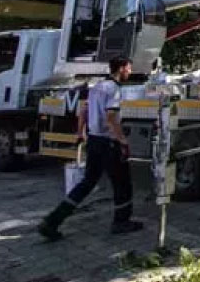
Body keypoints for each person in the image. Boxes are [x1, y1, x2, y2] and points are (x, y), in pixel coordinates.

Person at [38, 56, 143, 241]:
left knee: (87, 182)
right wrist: (123, 141)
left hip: (94, 140)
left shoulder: (97, 87)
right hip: (108, 143)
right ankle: (121, 221)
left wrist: (81, 132)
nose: (130, 72)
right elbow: (111, 118)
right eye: (128, 68)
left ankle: (52, 221)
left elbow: (84, 110)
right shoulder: (114, 89)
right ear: (121, 69)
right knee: (122, 183)